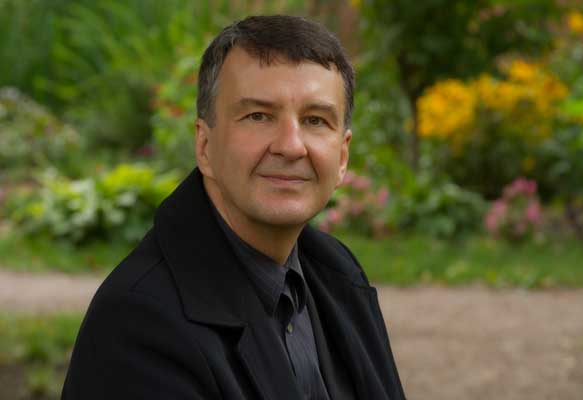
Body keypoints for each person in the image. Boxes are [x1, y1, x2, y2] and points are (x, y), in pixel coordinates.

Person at [62, 15, 406, 400]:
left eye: (315, 120)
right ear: (205, 147)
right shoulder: (138, 323)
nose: (291, 146)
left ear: (342, 157)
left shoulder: (338, 274)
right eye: (258, 116)